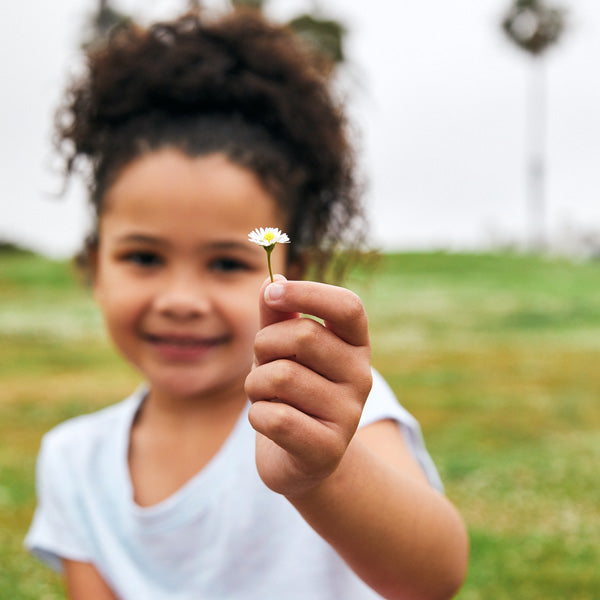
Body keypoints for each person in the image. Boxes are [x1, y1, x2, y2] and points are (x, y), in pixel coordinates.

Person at [25, 8, 468, 600]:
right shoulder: (74, 461)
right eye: (144, 258)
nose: (181, 300)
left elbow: (434, 576)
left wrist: (321, 475)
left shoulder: (320, 410)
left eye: (229, 263)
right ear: (93, 265)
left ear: (294, 275)